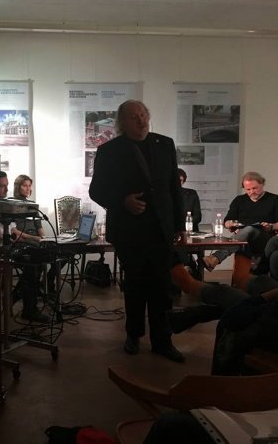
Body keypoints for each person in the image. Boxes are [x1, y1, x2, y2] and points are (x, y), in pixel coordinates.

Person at [89, 99, 186, 363]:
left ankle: (162, 340)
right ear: (122, 123)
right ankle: (133, 335)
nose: (142, 120)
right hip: (129, 230)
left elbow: (173, 188)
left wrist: (179, 224)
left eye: (143, 114)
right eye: (134, 117)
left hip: (161, 228)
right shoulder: (109, 150)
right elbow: (97, 190)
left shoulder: (164, 144)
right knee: (134, 285)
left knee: (162, 287)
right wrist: (123, 201)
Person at [212, 244, 278, 375]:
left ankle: (224, 386)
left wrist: (271, 295)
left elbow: (236, 318)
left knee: (231, 316)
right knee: (262, 277)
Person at [0, 171, 49, 322]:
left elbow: (13, 229)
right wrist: (11, 237)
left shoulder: (6, 203)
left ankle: (22, 301)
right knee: (31, 264)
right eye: (2, 186)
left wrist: (33, 238)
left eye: (7, 185)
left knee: (36, 258)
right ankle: (26, 306)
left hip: (9, 245)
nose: (6, 189)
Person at [202, 171, 278, 271]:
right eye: (248, 189)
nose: (252, 192)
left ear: (262, 184)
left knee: (250, 229)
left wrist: (271, 226)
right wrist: (231, 224)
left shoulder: (275, 199)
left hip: (265, 237)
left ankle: (215, 258)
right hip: (243, 238)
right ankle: (212, 260)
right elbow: (226, 222)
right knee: (246, 231)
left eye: (254, 188)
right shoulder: (239, 200)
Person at [178, 168, 201, 232]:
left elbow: (198, 217)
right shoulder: (165, 195)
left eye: (180, 180)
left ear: (183, 181)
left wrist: (185, 222)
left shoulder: (191, 194)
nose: (178, 183)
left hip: (189, 231)